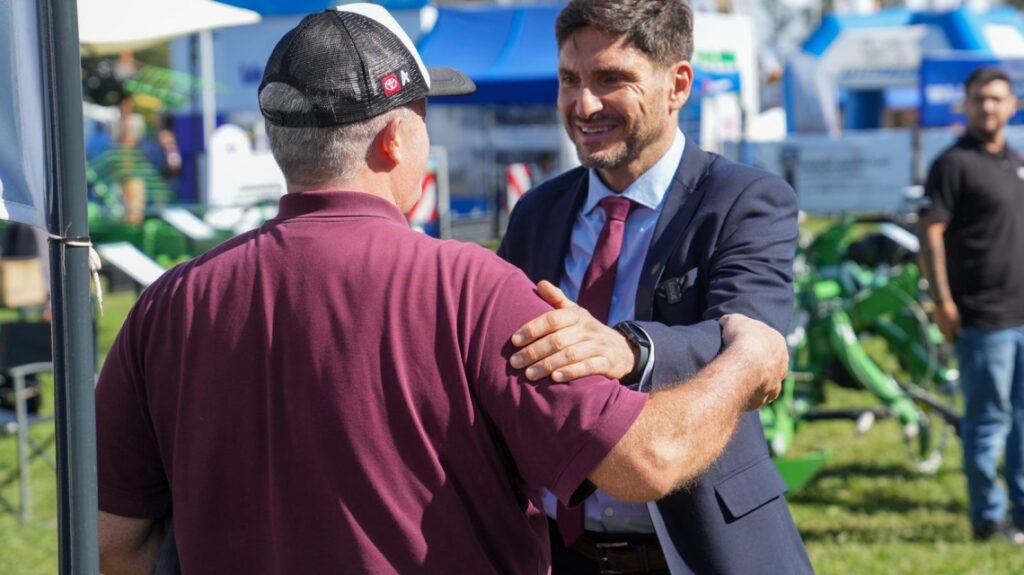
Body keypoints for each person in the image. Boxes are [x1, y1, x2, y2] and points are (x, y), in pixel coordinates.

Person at [95, 6, 790, 574]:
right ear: (397, 140)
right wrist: (747, 364)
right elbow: (648, 459)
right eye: (425, 115)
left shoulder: (165, 305)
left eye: (609, 77)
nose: (583, 102)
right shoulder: (471, 287)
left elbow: (107, 540)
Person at [498, 1, 813, 573]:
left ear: (678, 85)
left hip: (706, 550)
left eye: (611, 79)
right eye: (570, 80)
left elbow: (752, 344)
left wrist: (631, 349)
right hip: (559, 554)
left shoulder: (745, 201)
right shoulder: (537, 212)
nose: (583, 105)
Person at [918, 66, 1024, 545]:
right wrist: (941, 300)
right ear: (966, 105)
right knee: (987, 422)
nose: (988, 107)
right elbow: (930, 232)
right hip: (983, 318)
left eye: (997, 98)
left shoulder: (1016, 162)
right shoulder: (952, 164)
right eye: (980, 98)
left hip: (1021, 313)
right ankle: (989, 519)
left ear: (1012, 106)